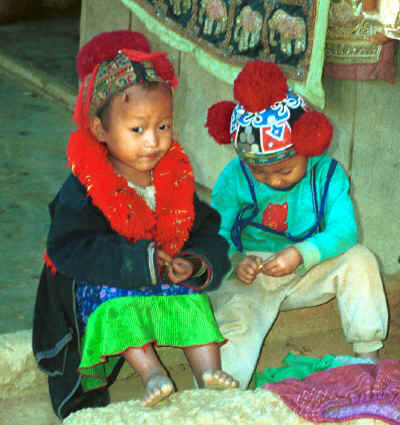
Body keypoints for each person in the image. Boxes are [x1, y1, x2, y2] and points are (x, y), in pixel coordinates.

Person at [32, 30, 238, 420]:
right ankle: (151, 372)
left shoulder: (172, 179)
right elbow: (70, 248)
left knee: (193, 298)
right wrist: (142, 262)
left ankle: (208, 370)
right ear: (100, 130)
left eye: (163, 126)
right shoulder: (86, 186)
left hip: (153, 275)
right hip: (99, 282)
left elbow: (208, 231)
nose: (153, 142)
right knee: (118, 304)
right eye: (137, 129)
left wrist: (192, 263)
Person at [204, 60, 389, 389]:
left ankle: (367, 358)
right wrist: (235, 262)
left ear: (308, 148)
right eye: (260, 173)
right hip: (253, 280)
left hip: (309, 269)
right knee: (237, 323)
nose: (273, 180)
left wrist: (302, 253)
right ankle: (221, 393)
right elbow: (214, 231)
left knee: (361, 259)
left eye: (285, 171)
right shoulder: (234, 177)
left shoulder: (327, 174)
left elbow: (344, 231)